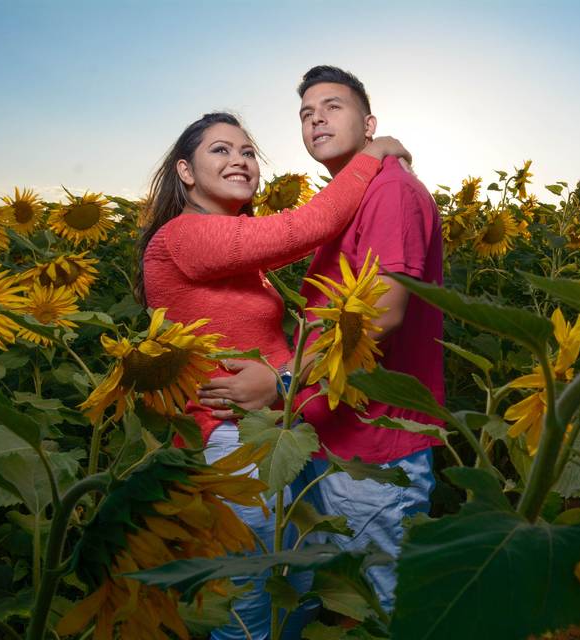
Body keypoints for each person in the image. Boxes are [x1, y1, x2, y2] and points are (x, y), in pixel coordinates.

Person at [139, 111, 410, 640]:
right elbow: (305, 228)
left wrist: (286, 380)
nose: (239, 160)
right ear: (185, 172)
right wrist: (369, 157)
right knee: (252, 608)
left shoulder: (232, 246)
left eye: (246, 152)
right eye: (220, 150)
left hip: (274, 433)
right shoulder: (184, 236)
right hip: (231, 443)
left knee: (297, 591)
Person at [198, 66, 444, 612]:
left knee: (384, 608)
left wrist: (282, 379)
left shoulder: (390, 192)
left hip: (378, 448)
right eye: (306, 114)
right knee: (338, 599)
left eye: (332, 106)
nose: (316, 119)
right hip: (338, 436)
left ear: (370, 122)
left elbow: (381, 310)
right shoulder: (353, 196)